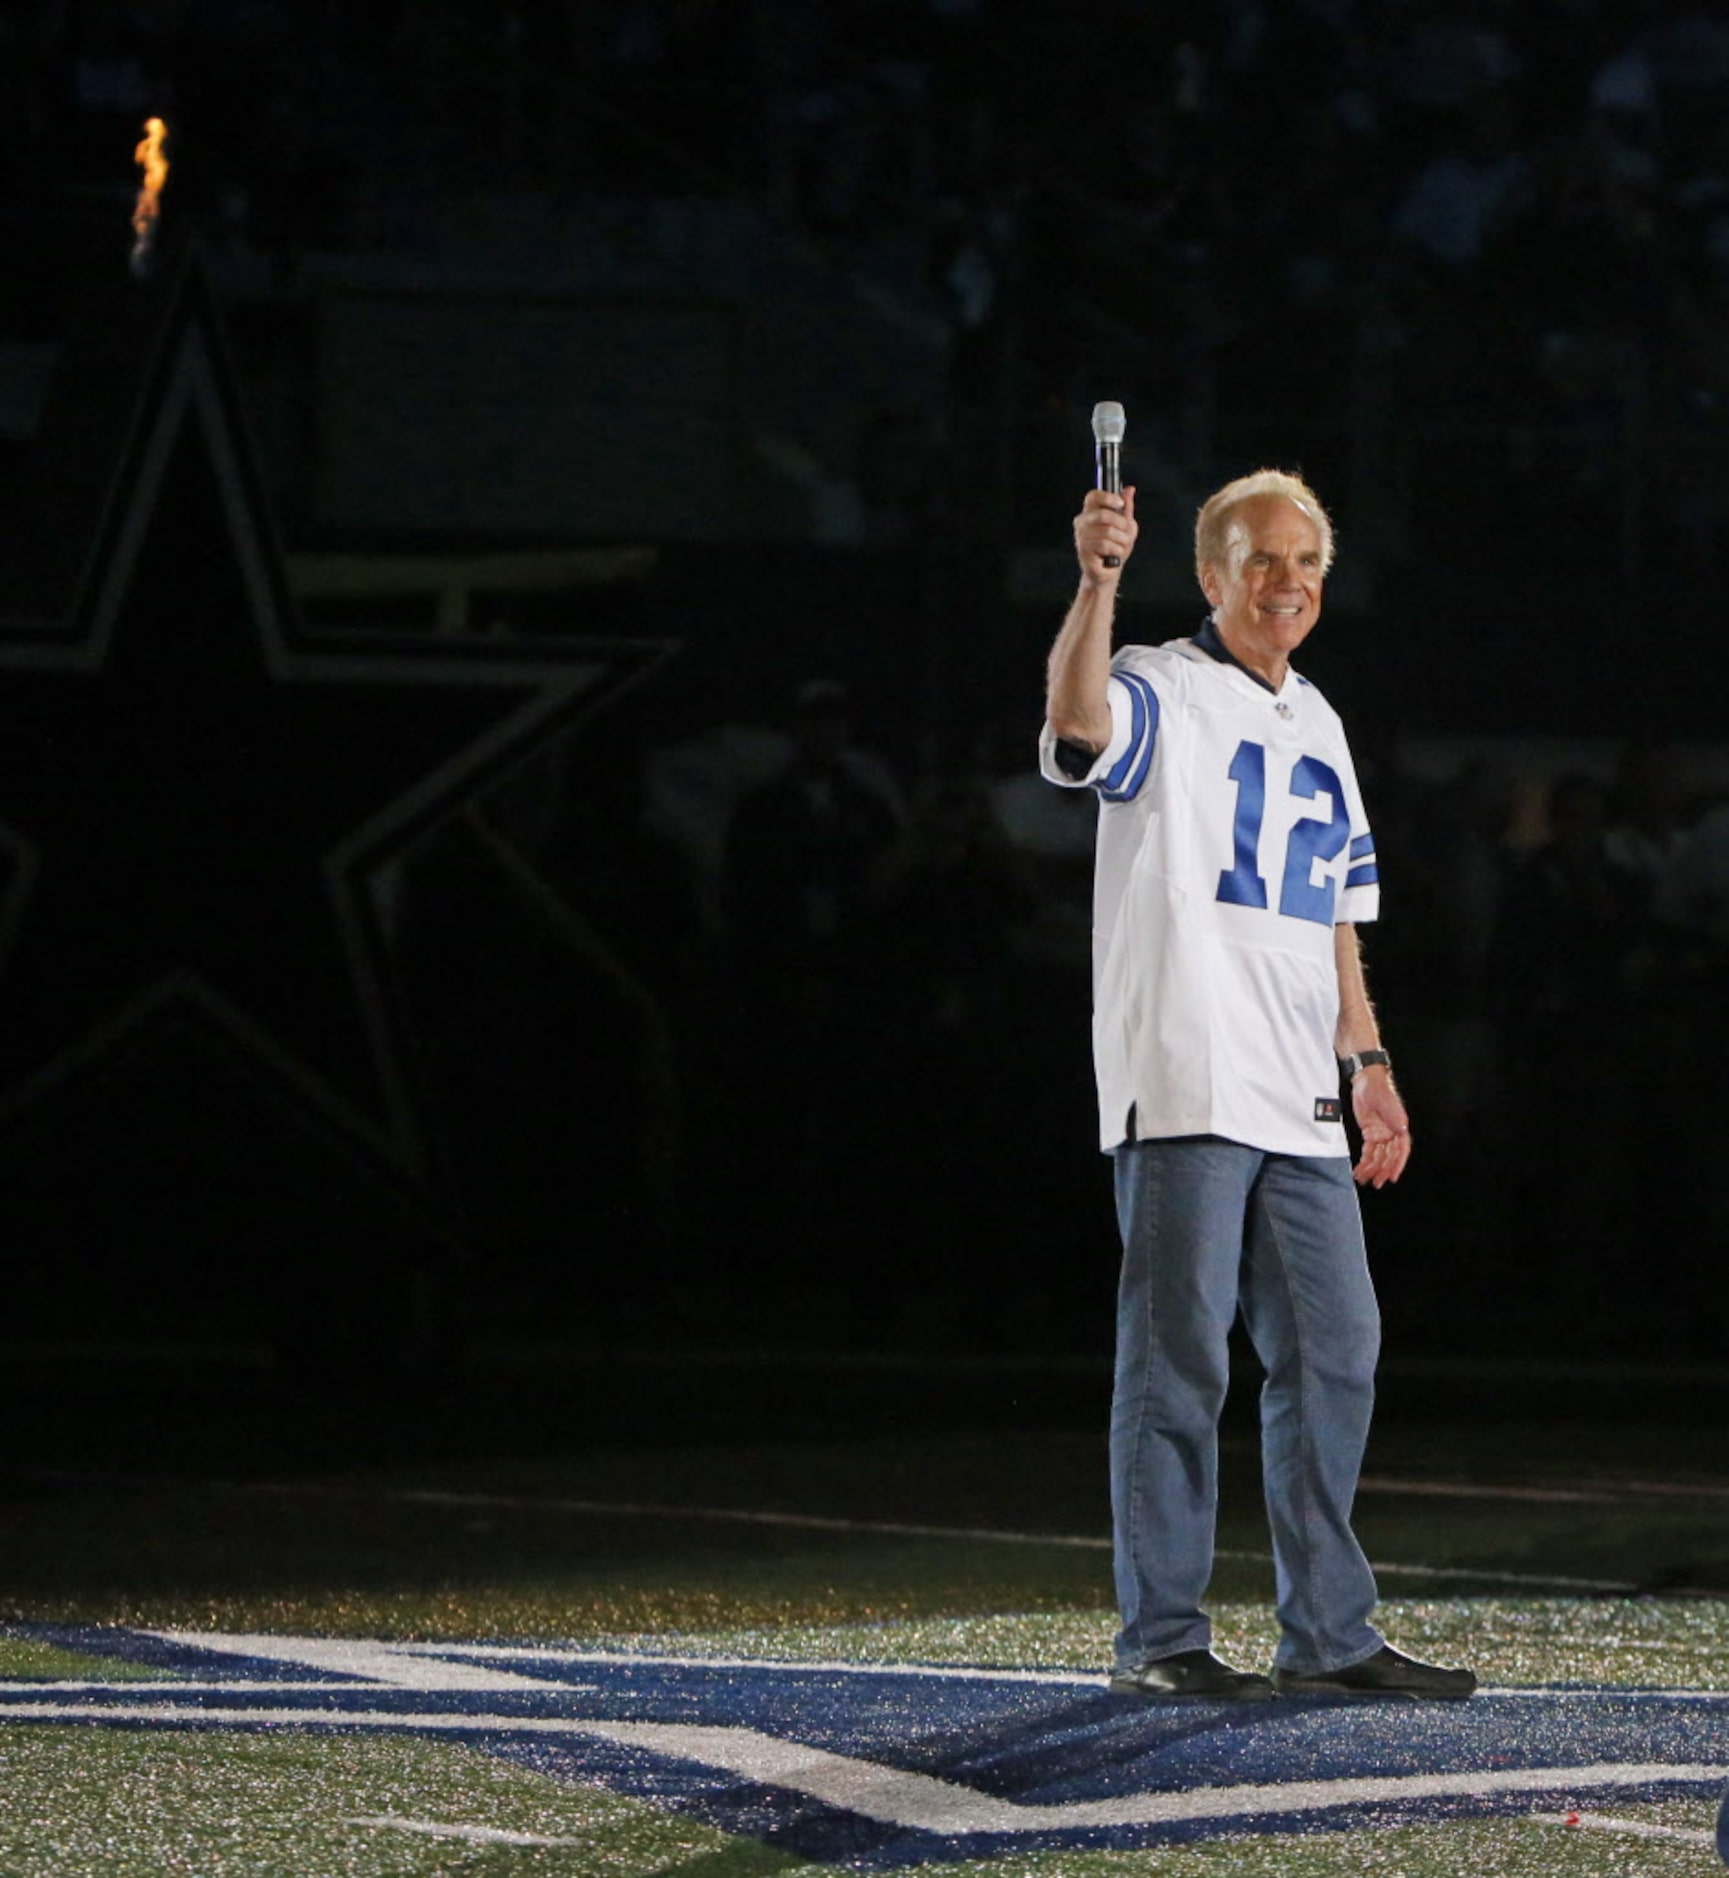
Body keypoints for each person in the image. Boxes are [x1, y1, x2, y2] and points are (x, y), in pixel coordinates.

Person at [1041, 467, 1476, 1702]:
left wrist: (1369, 1058)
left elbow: (1337, 912)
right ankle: (1162, 1637)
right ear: (1213, 573)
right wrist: (1094, 580)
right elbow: (1078, 730)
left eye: (1305, 564)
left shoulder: (1321, 721)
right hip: (1185, 1070)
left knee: (1339, 1346)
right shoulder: (1161, 684)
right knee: (1180, 1360)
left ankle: (1328, 1631)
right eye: (1261, 561)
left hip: (1298, 1088)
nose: (1286, 582)